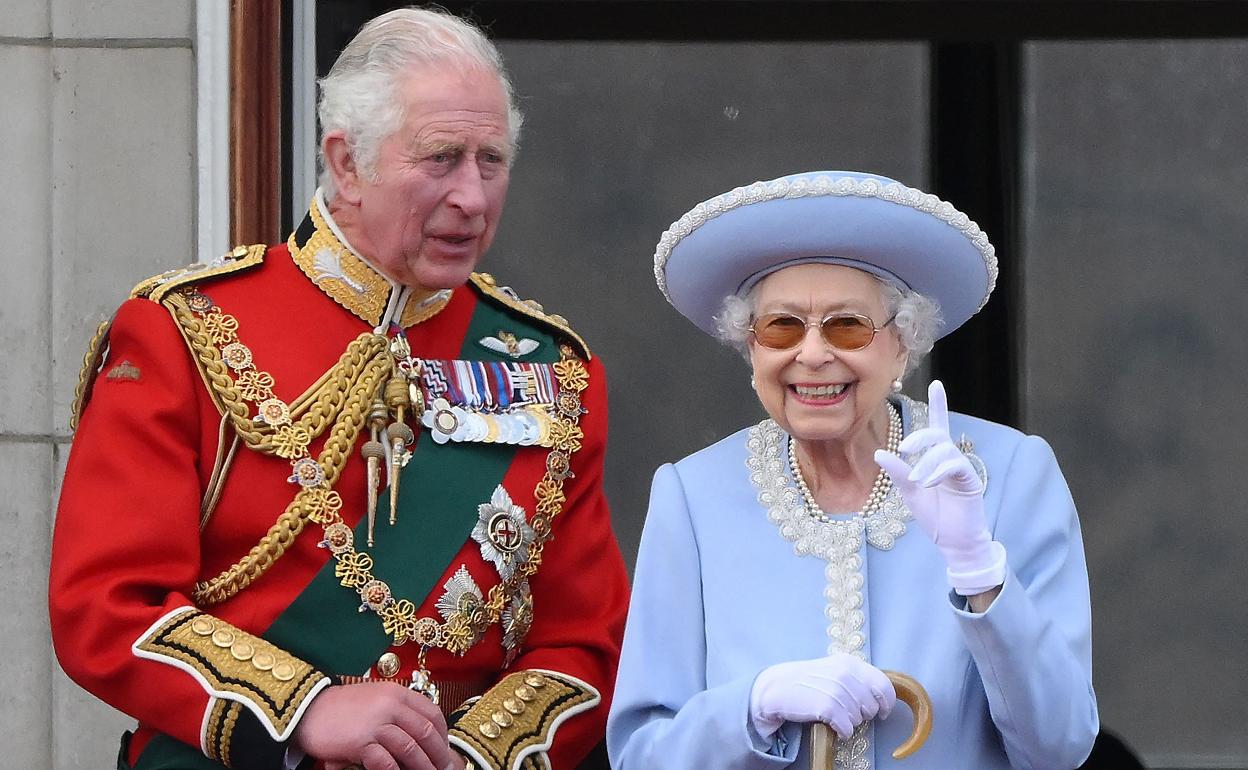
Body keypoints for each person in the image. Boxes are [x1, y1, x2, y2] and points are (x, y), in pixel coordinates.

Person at [49, 8, 628, 770]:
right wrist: (305, 711)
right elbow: (108, 606)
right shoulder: (185, 332)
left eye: (491, 161)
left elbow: (586, 641)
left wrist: (473, 754)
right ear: (346, 161)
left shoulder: (553, 370)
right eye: (441, 157)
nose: (473, 197)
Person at [607, 170, 1098, 769]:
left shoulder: (1013, 474)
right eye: (782, 326)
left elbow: (1061, 746)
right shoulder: (692, 495)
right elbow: (640, 756)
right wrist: (751, 709)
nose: (812, 354)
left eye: (848, 325)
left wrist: (980, 572)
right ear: (752, 349)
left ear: (903, 346)